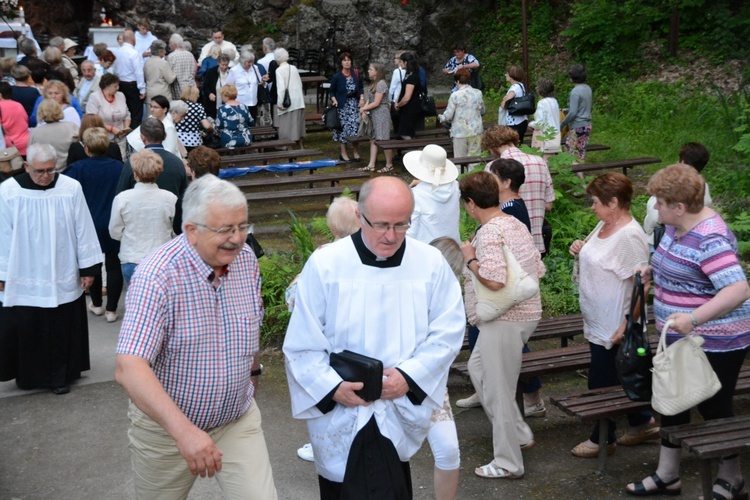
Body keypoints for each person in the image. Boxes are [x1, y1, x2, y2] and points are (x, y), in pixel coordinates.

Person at [283, 176, 466, 498]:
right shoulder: (326, 264)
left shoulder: (429, 263)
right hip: (341, 406)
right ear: (359, 216)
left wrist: (409, 376)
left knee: (392, 484)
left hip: (399, 401)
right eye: (381, 224)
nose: (391, 236)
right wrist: (332, 387)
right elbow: (303, 342)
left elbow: (448, 330)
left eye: (401, 225)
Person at [115, 174, 278, 499]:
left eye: (243, 227)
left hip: (237, 420)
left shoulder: (245, 260)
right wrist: (184, 432)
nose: (237, 238)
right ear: (191, 230)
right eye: (224, 230)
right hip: (165, 432)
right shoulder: (156, 275)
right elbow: (128, 366)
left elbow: (251, 322)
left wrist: (254, 372)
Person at [625, 163, 750, 498]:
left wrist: (693, 319)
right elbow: (677, 263)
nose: (654, 208)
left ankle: (732, 477)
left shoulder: (710, 237)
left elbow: (738, 290)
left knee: (714, 406)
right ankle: (668, 475)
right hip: (678, 337)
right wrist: (652, 271)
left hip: (715, 340)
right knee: (670, 401)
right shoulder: (676, 226)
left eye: (659, 204)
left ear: (679, 207)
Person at [459, 171, 545, 479]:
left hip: (504, 319)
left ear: (470, 204)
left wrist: (470, 260)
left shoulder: (490, 232)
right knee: (478, 369)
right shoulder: (514, 223)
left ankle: (508, 462)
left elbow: (494, 280)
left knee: (498, 388)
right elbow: (539, 265)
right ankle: (519, 433)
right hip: (525, 313)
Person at [0, 143, 102, 395]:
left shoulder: (70, 188)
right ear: (26, 166)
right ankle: (28, 376)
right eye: (39, 171)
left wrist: (87, 268)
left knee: (59, 326)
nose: (46, 176)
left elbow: (83, 227)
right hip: (24, 272)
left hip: (62, 269)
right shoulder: (9, 192)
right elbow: (2, 234)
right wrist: (2, 274)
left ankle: (61, 376)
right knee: (28, 325)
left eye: (50, 170)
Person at [568, 173, 655, 459]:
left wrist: (627, 324)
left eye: (596, 201)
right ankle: (642, 421)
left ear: (614, 202)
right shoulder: (605, 223)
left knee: (601, 383)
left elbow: (642, 282)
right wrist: (581, 247)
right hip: (598, 319)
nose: (592, 207)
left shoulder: (629, 236)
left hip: (615, 325)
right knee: (621, 376)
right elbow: (598, 256)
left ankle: (603, 439)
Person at [63, 127, 124, 323]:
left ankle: (97, 304)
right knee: (114, 265)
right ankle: (112, 310)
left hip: (88, 224)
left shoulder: (77, 169)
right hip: (113, 221)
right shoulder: (119, 167)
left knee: (93, 264)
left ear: (86, 148)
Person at [482, 125, 555, 257]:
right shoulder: (540, 162)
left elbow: (486, 207)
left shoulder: (493, 168)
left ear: (492, 146)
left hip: (507, 243)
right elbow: (549, 205)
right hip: (536, 241)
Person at [109, 149, 176, 285]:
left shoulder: (122, 198)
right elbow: (174, 231)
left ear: (135, 174)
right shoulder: (170, 198)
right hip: (161, 258)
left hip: (132, 257)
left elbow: (114, 231)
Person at [117, 117, 188, 235]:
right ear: (165, 136)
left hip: (137, 229)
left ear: (142, 137)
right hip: (168, 229)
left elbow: (121, 194)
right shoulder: (176, 162)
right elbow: (184, 199)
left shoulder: (133, 162)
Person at [643, 142, 712, 251]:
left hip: (666, 237)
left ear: (682, 162)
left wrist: (648, 231)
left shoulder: (672, 187)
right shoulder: (703, 186)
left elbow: (654, 217)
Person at [404, 144, 461, 245]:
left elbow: (410, 233)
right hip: (453, 248)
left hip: (427, 252)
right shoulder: (455, 186)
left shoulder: (416, 195)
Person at [438, 68, 485, 159]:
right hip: (476, 130)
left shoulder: (455, 95)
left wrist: (440, 117)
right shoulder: (478, 93)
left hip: (459, 132)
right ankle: (474, 173)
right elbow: (482, 111)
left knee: (460, 159)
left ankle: (462, 173)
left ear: (457, 81)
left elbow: (448, 116)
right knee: (474, 159)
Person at [86, 73, 131, 158]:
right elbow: (92, 119)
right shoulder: (95, 97)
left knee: (121, 160)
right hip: (103, 139)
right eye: (115, 86)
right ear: (107, 86)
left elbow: (127, 114)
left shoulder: (121, 95)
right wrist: (111, 129)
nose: (117, 88)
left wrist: (126, 127)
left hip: (121, 138)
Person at [329, 52, 363, 162]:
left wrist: (361, 98)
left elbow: (361, 88)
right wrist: (334, 100)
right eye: (344, 60)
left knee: (355, 128)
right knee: (342, 129)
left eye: (348, 60)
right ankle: (343, 153)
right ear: (341, 63)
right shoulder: (337, 76)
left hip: (354, 104)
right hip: (342, 106)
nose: (347, 62)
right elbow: (331, 91)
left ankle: (356, 151)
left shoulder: (356, 73)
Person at [359, 62, 392, 172]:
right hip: (374, 114)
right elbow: (370, 99)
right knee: (373, 139)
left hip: (381, 114)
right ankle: (371, 164)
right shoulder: (374, 83)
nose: (368, 71)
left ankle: (389, 164)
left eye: (371, 69)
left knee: (384, 139)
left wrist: (364, 109)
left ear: (377, 72)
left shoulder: (381, 83)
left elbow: (377, 102)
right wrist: (365, 109)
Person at [28, 99, 79, 171]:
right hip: (68, 170)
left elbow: (30, 155)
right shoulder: (71, 127)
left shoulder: (35, 132)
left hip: (45, 172)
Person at [126, 95, 182, 159]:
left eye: (155, 107)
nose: (152, 109)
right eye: (151, 106)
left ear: (164, 110)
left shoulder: (169, 127)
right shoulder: (151, 118)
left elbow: (170, 150)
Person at [112, 29, 146, 129]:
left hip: (120, 84)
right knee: (135, 113)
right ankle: (133, 135)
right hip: (132, 85)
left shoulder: (117, 52)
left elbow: (115, 70)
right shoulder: (133, 53)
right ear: (133, 39)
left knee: (124, 111)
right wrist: (142, 89)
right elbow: (138, 72)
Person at [272, 48, 305, 148]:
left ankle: (287, 147)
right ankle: (300, 146)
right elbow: (300, 83)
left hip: (288, 102)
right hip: (298, 100)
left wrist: (280, 104)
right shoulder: (293, 68)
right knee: (298, 125)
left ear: (277, 59)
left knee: (287, 127)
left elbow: (281, 88)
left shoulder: (279, 70)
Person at [560, 64, 593, 161]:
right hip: (587, 125)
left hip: (577, 126)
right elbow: (582, 106)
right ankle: (580, 175)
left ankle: (578, 175)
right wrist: (567, 110)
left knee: (571, 155)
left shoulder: (575, 92)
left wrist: (562, 124)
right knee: (579, 154)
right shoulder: (587, 88)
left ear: (572, 77)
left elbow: (573, 113)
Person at [226, 50, 267, 123]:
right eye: (248, 62)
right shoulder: (234, 70)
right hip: (239, 104)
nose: (250, 64)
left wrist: (263, 80)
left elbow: (260, 82)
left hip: (253, 102)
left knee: (252, 124)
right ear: (242, 61)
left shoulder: (255, 68)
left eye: (252, 62)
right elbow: (227, 87)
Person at [528, 78, 561, 154]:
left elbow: (540, 123)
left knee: (543, 157)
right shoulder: (554, 101)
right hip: (555, 133)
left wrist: (531, 124)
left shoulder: (542, 103)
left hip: (544, 135)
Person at [393, 51, 422, 140]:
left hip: (410, 108)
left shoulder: (413, 77)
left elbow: (407, 97)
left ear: (406, 62)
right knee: (403, 130)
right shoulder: (407, 74)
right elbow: (402, 90)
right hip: (405, 108)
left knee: (405, 132)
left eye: (401, 61)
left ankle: (412, 149)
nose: (399, 63)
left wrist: (399, 104)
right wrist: (396, 100)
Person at [144, 39, 176, 115]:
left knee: (151, 117)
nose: (165, 52)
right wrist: (175, 73)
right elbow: (170, 79)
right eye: (164, 50)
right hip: (162, 94)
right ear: (160, 51)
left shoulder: (146, 62)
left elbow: (145, 78)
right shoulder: (163, 63)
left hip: (150, 94)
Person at [216, 83, 253, 149]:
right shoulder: (244, 106)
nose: (221, 97)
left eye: (222, 95)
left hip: (229, 139)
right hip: (246, 138)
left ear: (226, 96)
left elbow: (219, 126)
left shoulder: (222, 108)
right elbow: (251, 122)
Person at [500, 65, 530, 144]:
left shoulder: (514, 88)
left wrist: (503, 100)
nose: (506, 75)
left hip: (515, 123)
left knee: (513, 146)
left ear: (512, 75)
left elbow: (505, 104)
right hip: (522, 120)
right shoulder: (521, 85)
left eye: (507, 73)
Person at [0, 82, 29, 156]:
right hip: (25, 143)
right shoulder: (18, 105)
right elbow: (26, 120)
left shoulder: (1, 106)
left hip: (9, 148)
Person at [166, 34, 197, 101]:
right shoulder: (190, 55)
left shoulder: (171, 56)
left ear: (174, 44)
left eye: (170, 43)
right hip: (191, 87)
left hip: (178, 88)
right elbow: (193, 70)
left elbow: (168, 74)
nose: (169, 45)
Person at [201, 52, 231, 119]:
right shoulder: (211, 72)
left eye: (226, 65)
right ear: (218, 63)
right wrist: (209, 94)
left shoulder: (231, 71)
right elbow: (205, 86)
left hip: (228, 101)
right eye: (222, 65)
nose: (224, 67)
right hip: (214, 103)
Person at [388, 51, 406, 134]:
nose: (394, 60)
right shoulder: (409, 71)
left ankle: (399, 144)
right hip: (406, 99)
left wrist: (389, 100)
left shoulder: (397, 72)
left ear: (399, 60)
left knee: (396, 124)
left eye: (395, 58)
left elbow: (392, 88)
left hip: (396, 100)